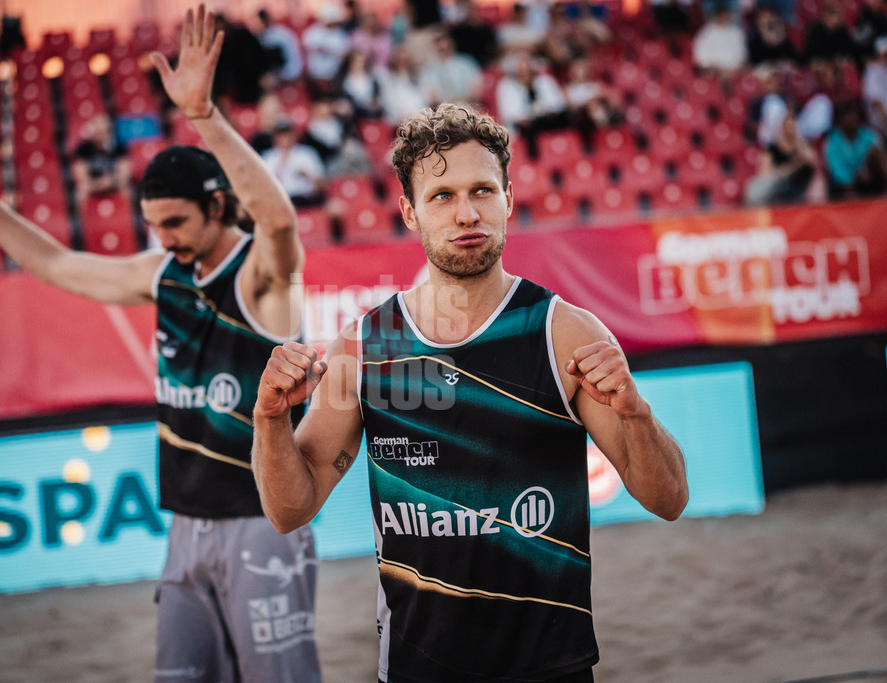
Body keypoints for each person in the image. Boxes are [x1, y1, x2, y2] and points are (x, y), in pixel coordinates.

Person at [0, 6, 321, 682]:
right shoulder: (161, 273)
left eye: (174, 221)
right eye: (153, 223)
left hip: (263, 521)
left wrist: (202, 116)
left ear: (218, 207)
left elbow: (280, 218)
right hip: (185, 525)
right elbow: (53, 264)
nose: (161, 236)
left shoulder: (263, 277)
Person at [251, 103, 689, 682]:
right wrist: (268, 420)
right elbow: (289, 510)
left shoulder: (564, 334)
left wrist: (636, 415)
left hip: (549, 668)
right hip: (417, 667)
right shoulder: (364, 347)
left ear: (508, 197)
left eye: (482, 190)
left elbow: (668, 499)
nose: (466, 213)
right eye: (441, 196)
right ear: (409, 211)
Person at [744, 109, 818, 205]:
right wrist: (792, 167)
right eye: (787, 126)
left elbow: (814, 162)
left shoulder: (803, 146)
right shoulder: (771, 149)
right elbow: (765, 177)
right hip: (778, 191)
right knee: (754, 188)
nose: (789, 130)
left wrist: (797, 141)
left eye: (793, 126)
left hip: (800, 190)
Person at [823, 97, 887, 198]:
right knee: (845, 190)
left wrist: (866, 172)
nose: (852, 117)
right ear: (839, 119)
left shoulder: (867, 134)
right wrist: (855, 178)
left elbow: (879, 157)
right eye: (847, 115)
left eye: (853, 113)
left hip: (870, 178)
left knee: (876, 153)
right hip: (847, 186)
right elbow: (838, 174)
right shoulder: (832, 142)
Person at [71, 113, 130, 212]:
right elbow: (81, 177)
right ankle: (82, 225)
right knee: (80, 192)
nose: (102, 135)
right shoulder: (83, 148)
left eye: (104, 132)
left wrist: (111, 181)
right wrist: (99, 184)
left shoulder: (119, 147)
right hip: (93, 185)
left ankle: (127, 222)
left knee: (127, 190)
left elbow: (124, 174)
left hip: (113, 183)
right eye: (99, 132)